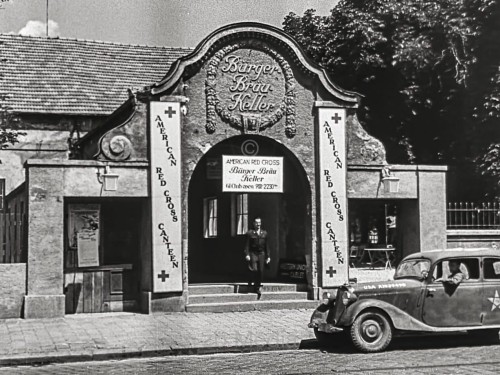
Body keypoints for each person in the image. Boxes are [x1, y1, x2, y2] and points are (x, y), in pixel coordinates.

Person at [245, 217, 271, 298]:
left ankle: (257, 286)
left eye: (259, 223)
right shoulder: (250, 233)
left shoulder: (264, 233)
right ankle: (254, 283)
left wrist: (268, 256)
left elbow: (267, 246)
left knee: (261, 270)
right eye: (256, 223)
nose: (258, 224)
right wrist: (247, 254)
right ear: (254, 224)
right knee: (254, 269)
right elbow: (247, 245)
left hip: (261, 253)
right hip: (253, 253)